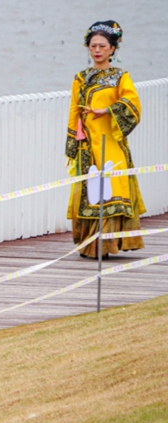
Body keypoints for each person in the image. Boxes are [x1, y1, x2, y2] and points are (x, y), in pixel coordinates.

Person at [66, 20, 144, 258]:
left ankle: (108, 245)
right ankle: (89, 245)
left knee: (112, 190)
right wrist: (71, 147)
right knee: (88, 192)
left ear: (112, 49)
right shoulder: (81, 78)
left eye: (102, 46)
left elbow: (133, 106)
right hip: (87, 144)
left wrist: (108, 111)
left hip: (111, 142)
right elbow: (74, 112)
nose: (97, 50)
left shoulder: (121, 77)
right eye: (93, 46)